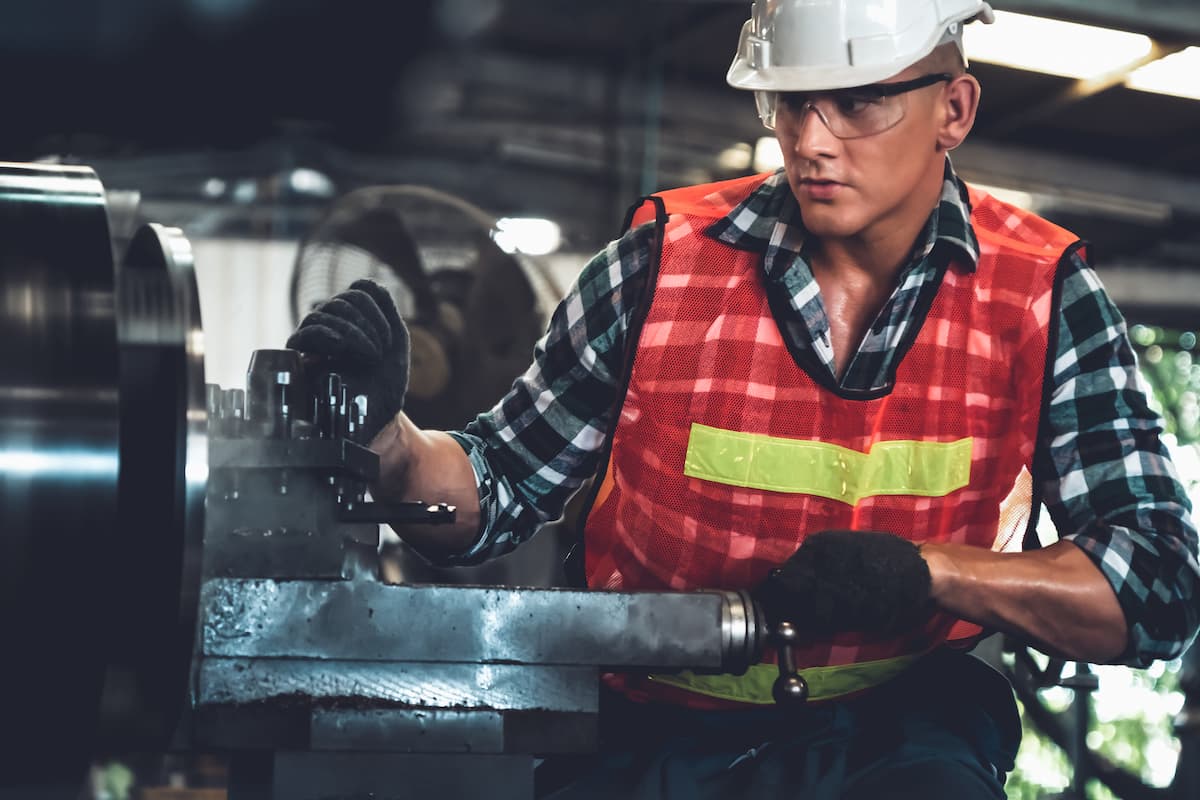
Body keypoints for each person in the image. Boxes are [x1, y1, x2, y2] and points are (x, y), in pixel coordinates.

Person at [287, 1, 1200, 796]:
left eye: (858, 100)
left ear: (952, 109)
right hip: (647, 734)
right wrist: (392, 444)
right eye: (791, 101)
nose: (811, 140)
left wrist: (932, 573)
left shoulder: (1040, 297)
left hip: (902, 739)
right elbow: (491, 493)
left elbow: (1155, 585)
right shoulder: (657, 267)